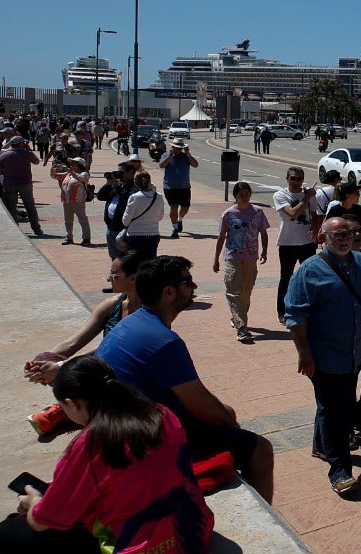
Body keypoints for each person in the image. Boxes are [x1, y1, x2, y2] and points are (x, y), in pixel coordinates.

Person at [30, 255, 276, 503]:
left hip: (120, 422)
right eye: (187, 281)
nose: (194, 287)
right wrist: (232, 429)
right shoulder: (163, 341)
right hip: (146, 438)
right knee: (260, 449)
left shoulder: (132, 322)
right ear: (169, 292)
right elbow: (201, 404)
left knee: (227, 412)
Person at [0, 356, 214, 554]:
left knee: (5, 535)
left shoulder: (91, 444)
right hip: (195, 539)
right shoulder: (160, 414)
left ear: (72, 403)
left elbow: (41, 522)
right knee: (63, 498)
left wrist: (33, 503)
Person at [284, 216, 361, 494]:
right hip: (325, 356)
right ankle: (340, 470)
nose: (343, 239)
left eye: (347, 234)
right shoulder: (309, 271)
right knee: (336, 411)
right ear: (323, 238)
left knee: (334, 405)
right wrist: (304, 354)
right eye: (336, 235)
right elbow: (295, 316)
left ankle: (321, 445)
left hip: (355, 352)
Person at [24, 252, 144, 438]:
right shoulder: (112, 304)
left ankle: (70, 410)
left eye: (114, 275)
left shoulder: (148, 312)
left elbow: (112, 349)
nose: (109, 279)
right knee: (48, 361)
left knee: (81, 375)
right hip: (103, 366)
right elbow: (73, 341)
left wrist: (60, 367)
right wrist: (42, 364)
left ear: (133, 278)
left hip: (130, 372)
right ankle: (73, 408)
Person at [215, 182, 270, 343]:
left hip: (251, 258)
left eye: (247, 194)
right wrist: (216, 259)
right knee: (234, 291)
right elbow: (221, 237)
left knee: (246, 291)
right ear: (236, 196)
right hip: (233, 257)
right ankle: (241, 327)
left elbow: (263, 233)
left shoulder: (258, 212)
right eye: (241, 194)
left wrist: (265, 251)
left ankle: (236, 317)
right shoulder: (228, 214)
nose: (244, 197)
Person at [273, 168, 318, 325]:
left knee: (311, 278)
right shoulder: (280, 195)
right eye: (293, 178)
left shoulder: (310, 194)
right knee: (286, 279)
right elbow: (292, 213)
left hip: (307, 243)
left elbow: (314, 215)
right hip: (288, 243)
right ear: (287, 179)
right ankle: (282, 311)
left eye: (299, 179)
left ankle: (311, 309)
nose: (296, 182)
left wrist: (315, 226)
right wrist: (306, 198)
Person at [0, 136, 45, 236]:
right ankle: (36, 229)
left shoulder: (4, 155)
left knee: (11, 207)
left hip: (9, 183)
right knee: (30, 206)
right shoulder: (27, 154)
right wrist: (29, 150)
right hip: (25, 183)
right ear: (21, 143)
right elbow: (36, 161)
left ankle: (15, 229)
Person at [120, 171, 165, 264]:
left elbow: (125, 220)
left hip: (135, 235)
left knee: (135, 262)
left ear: (136, 183)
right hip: (153, 234)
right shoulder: (159, 196)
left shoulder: (134, 197)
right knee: (151, 262)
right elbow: (160, 217)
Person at [98, 161, 137, 262]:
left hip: (124, 229)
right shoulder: (115, 185)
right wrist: (108, 184)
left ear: (131, 172)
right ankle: (115, 274)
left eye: (121, 172)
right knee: (114, 256)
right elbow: (100, 196)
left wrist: (119, 186)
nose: (119, 175)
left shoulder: (135, 188)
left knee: (126, 257)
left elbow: (130, 198)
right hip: (111, 227)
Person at [159, 140, 198, 238]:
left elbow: (195, 165)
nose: (179, 150)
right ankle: (175, 228)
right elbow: (161, 165)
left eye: (180, 148)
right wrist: (170, 156)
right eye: (177, 148)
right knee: (174, 207)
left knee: (185, 207)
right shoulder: (166, 155)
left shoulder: (185, 156)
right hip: (170, 187)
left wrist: (188, 153)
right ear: (172, 147)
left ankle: (180, 219)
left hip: (184, 187)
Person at [52, 156, 94, 246]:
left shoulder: (85, 174)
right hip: (67, 200)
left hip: (78, 200)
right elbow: (55, 176)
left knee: (82, 219)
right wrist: (53, 170)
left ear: (80, 165)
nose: (71, 165)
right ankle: (69, 237)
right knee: (68, 220)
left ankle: (86, 238)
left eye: (74, 163)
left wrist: (71, 171)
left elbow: (81, 179)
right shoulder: (68, 174)